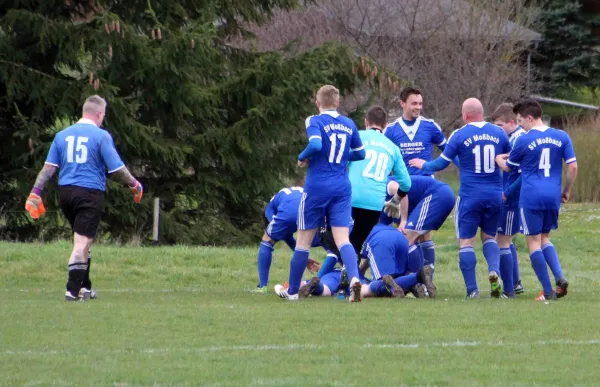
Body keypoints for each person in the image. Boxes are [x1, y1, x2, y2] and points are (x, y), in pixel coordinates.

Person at [25, 95, 143, 301]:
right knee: (81, 245)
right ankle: (71, 291)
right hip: (89, 193)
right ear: (99, 114)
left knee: (84, 241)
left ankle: (85, 288)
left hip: (66, 194)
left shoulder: (62, 135)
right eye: (103, 116)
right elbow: (117, 168)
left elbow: (49, 169)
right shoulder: (101, 136)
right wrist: (134, 184)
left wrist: (36, 191)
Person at [409, 98, 510, 299]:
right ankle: (494, 272)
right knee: (489, 237)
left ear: (465, 115)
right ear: (483, 113)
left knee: (466, 242)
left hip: (470, 196)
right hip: (494, 195)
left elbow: (441, 164)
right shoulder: (499, 133)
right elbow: (510, 162)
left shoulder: (460, 135)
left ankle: (472, 290)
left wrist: (423, 165)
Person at [274, 85, 365, 302]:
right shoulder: (349, 123)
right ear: (338, 102)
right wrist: (342, 157)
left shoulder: (313, 120)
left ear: (317, 103)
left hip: (318, 186)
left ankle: (293, 291)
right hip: (342, 187)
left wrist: (302, 156)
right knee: (343, 239)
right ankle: (354, 279)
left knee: (303, 240)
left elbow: (315, 144)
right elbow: (361, 153)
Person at [496, 98, 577, 301]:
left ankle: (547, 291)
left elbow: (509, 167)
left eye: (520, 120)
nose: (520, 124)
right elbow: (573, 167)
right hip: (552, 195)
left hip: (531, 195)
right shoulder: (561, 136)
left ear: (530, 118)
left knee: (533, 241)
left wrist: (498, 158)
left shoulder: (524, 139)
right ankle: (559, 277)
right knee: (545, 238)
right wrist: (566, 190)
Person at [384, 87, 458, 271]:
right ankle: (411, 275)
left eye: (420, 103)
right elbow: (384, 160)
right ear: (402, 104)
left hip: (425, 188)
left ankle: (426, 277)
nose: (418, 107)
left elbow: (449, 153)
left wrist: (466, 169)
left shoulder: (430, 126)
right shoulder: (391, 130)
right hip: (402, 190)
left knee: (424, 234)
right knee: (403, 232)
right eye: (414, 103)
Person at [348, 105, 410, 255]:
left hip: (351, 197)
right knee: (357, 241)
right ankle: (351, 275)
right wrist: (395, 200)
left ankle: (342, 268)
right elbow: (407, 184)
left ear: (366, 122)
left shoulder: (357, 137)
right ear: (386, 125)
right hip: (374, 202)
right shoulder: (393, 148)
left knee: (338, 238)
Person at [381, 175, 455, 278]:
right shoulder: (378, 208)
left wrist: (403, 221)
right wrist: (361, 271)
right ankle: (423, 282)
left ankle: (410, 281)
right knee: (417, 238)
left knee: (404, 240)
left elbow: (402, 192)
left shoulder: (384, 184)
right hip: (440, 194)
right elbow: (380, 241)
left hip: (438, 194)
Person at [252, 185, 322, 294]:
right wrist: (304, 258)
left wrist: (271, 233)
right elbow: (287, 234)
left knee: (266, 241)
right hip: (310, 208)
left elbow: (277, 229)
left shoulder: (269, 208)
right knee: (326, 240)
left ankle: (262, 286)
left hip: (290, 210)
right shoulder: (288, 193)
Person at [491, 103, 526, 295]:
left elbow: (522, 174)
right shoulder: (512, 138)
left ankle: (510, 289)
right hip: (507, 197)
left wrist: (508, 192)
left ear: (511, 122)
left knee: (502, 240)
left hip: (512, 200)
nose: (498, 130)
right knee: (506, 240)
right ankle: (515, 282)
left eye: (500, 125)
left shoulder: (519, 139)